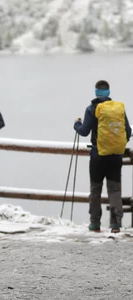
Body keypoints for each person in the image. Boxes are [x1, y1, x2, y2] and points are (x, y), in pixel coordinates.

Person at [74, 80, 131, 233]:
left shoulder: (92, 108)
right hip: (115, 157)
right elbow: (128, 131)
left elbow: (84, 131)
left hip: (98, 156)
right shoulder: (118, 109)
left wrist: (76, 125)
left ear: (96, 92)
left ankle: (95, 224)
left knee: (95, 190)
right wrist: (116, 144)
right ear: (108, 92)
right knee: (114, 190)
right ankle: (115, 224)